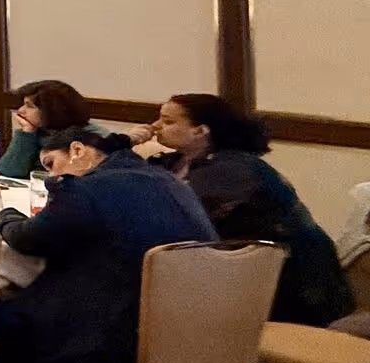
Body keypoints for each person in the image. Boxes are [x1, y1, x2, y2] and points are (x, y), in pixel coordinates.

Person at [0, 128, 217, 363]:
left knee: (0, 311)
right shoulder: (168, 181)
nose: (53, 176)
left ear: (78, 150)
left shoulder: (87, 190)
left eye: (52, 165)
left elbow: (28, 238)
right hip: (186, 323)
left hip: (105, 329)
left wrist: (5, 216)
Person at [145, 93, 353, 326]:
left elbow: (184, 221)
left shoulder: (233, 169)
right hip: (236, 271)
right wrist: (122, 143)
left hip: (291, 280)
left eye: (168, 121)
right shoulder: (176, 161)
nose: (155, 127)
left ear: (200, 131)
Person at [0, 79, 92, 179]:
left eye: (29, 106)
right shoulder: (38, 131)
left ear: (51, 110)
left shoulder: (88, 138)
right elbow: (8, 171)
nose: (20, 110)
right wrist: (27, 132)